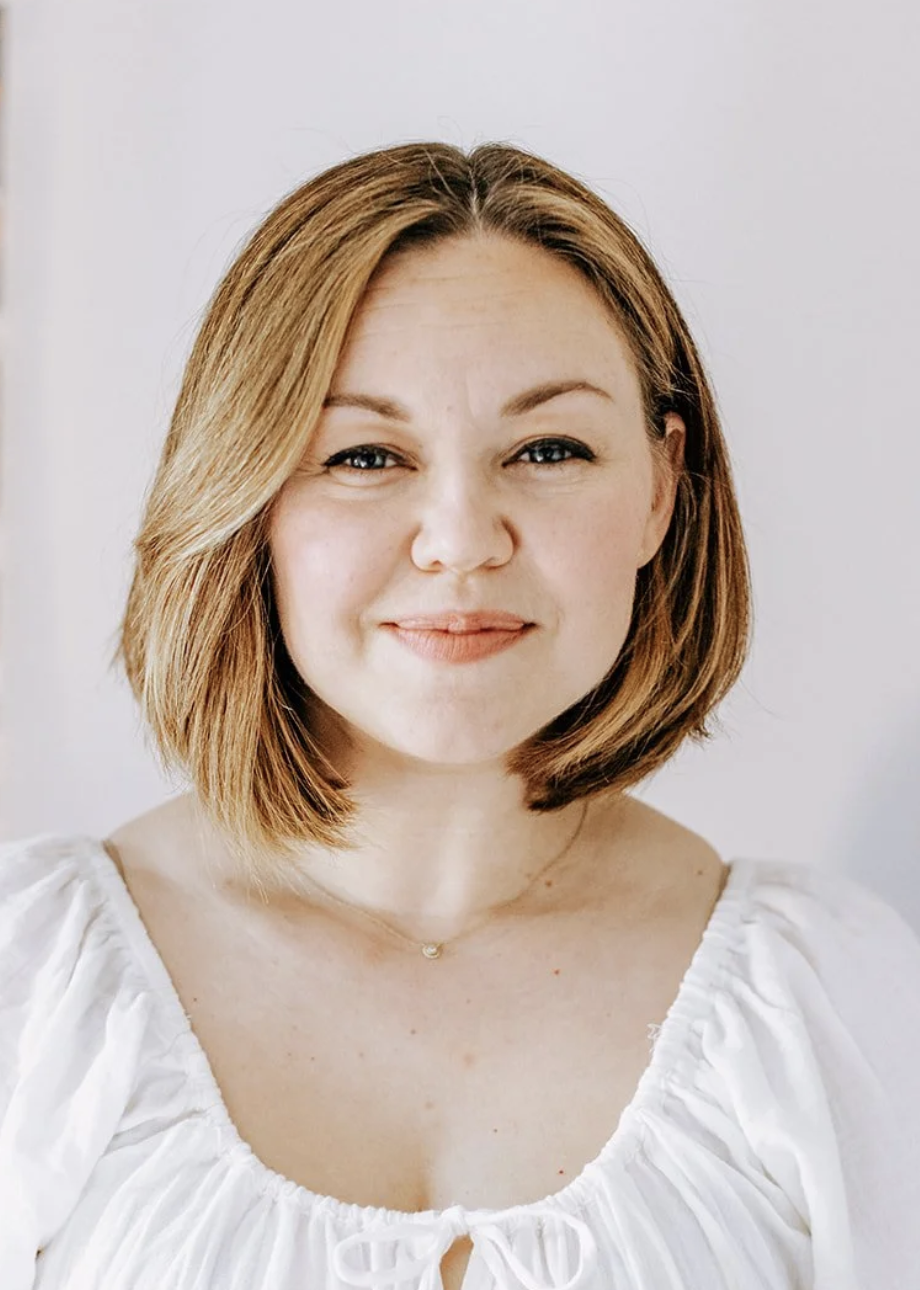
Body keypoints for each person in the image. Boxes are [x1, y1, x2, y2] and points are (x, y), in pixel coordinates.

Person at [1, 141, 919, 1290]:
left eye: (547, 448)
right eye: (365, 454)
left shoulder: (835, 1010)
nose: (459, 540)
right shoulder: (29, 987)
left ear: (657, 489)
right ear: (248, 504)